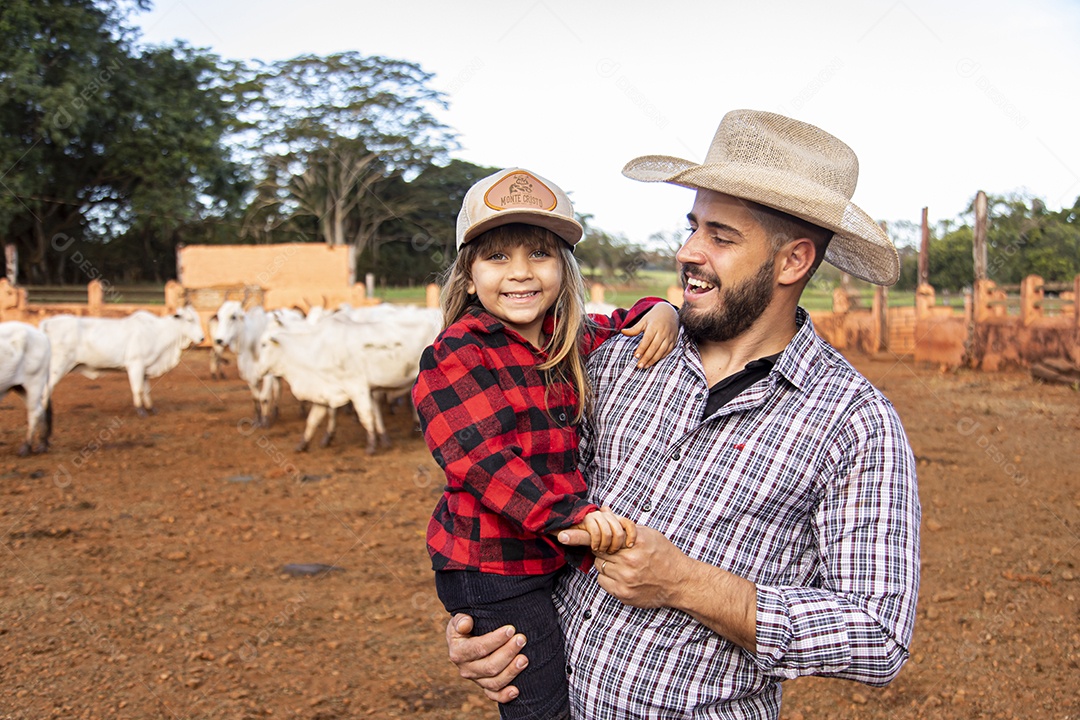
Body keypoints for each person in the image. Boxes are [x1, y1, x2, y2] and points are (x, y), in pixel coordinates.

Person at [444, 110, 922, 719]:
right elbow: (525, 495)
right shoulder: (617, 361)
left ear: (793, 262)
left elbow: (877, 637)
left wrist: (685, 583)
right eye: (692, 226)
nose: (686, 252)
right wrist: (483, 621)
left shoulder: (854, 423)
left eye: (720, 237)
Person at [412, 167, 679, 719]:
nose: (521, 273)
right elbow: (483, 461)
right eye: (498, 258)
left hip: (542, 552)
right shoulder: (457, 353)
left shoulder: (572, 337)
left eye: (539, 254)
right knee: (539, 705)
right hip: (492, 564)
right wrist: (571, 517)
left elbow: (625, 320)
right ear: (468, 277)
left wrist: (664, 310)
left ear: (564, 267)